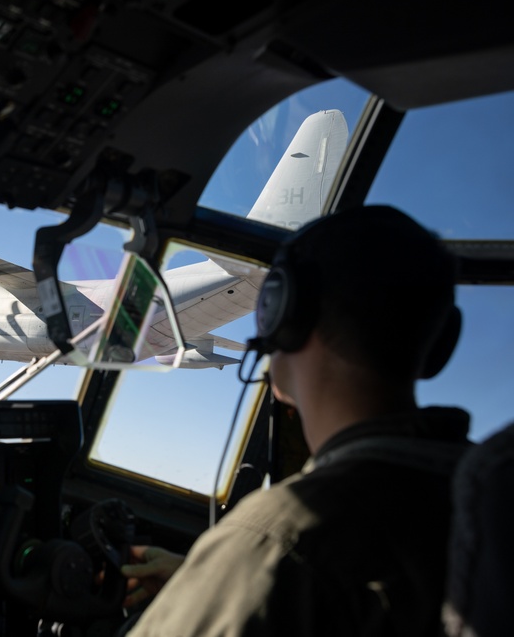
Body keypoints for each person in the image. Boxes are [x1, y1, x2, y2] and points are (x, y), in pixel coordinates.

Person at [121, 205, 471, 636]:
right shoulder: (480, 489)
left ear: (286, 316)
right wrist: (206, 582)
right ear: (442, 344)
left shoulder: (279, 537)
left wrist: (231, 573)